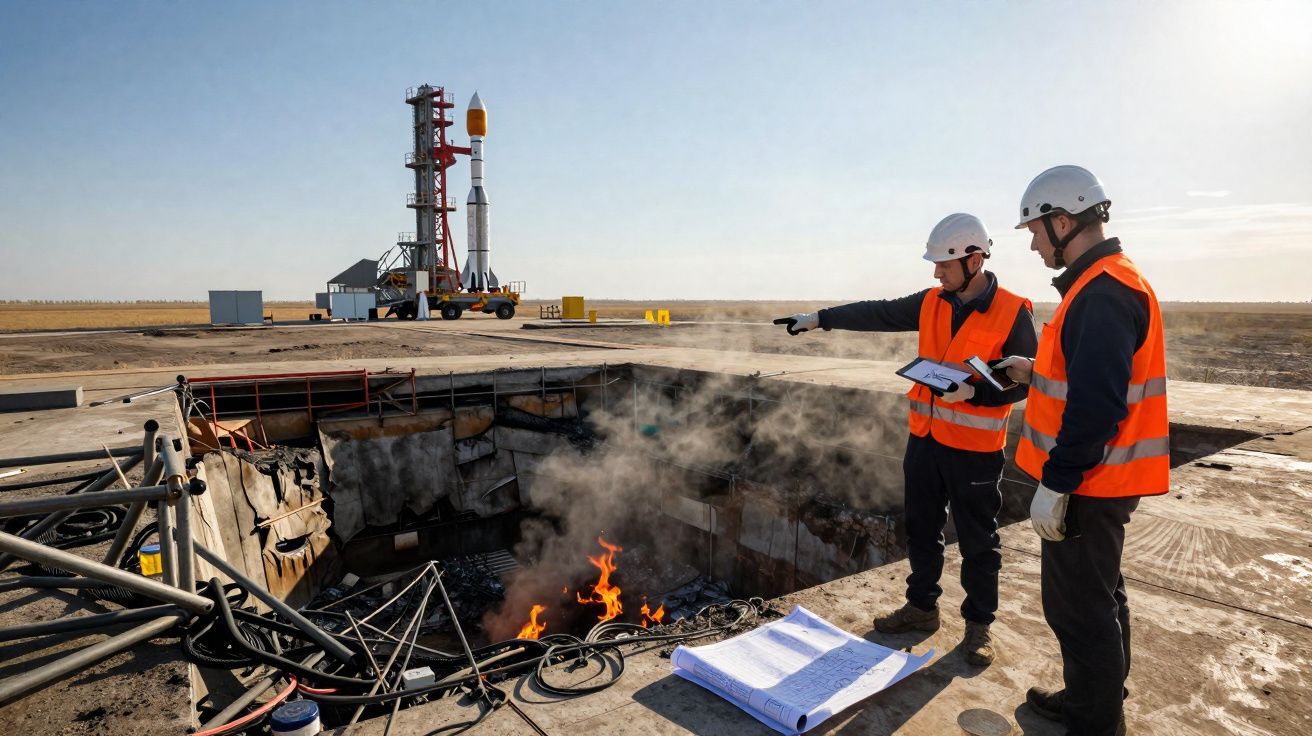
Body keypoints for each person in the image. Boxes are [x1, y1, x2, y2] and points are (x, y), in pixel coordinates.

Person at [774, 213, 1036, 666]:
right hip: (925, 439)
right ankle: (921, 607)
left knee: (978, 539)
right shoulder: (933, 301)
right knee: (920, 527)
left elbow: (1028, 381)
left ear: (974, 260)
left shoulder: (1014, 310)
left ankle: (978, 627)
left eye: (945, 265)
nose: (936, 273)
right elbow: (877, 311)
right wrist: (818, 319)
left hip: (975, 449)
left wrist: (973, 394)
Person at [996, 165, 1169, 736]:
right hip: (1103, 479)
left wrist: (1057, 483)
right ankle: (1096, 698)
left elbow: (1097, 405)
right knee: (1101, 595)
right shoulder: (1105, 283)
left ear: (1063, 221)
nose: (1032, 242)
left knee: (1078, 607)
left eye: (1035, 231)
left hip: (1091, 482)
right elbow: (1081, 376)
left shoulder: (1102, 292)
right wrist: (1034, 369)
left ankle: (1096, 722)